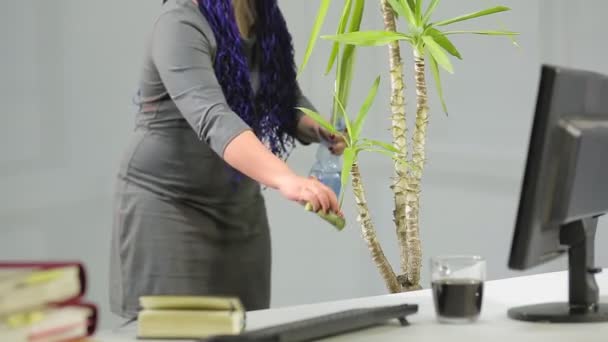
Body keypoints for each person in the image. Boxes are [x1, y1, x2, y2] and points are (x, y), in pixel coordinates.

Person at [109, 0, 345, 319]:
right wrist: (286, 179)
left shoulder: (259, 12)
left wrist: (321, 128)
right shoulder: (179, 22)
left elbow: (281, 97)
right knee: (174, 331)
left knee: (248, 328)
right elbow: (214, 118)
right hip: (170, 207)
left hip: (239, 211)